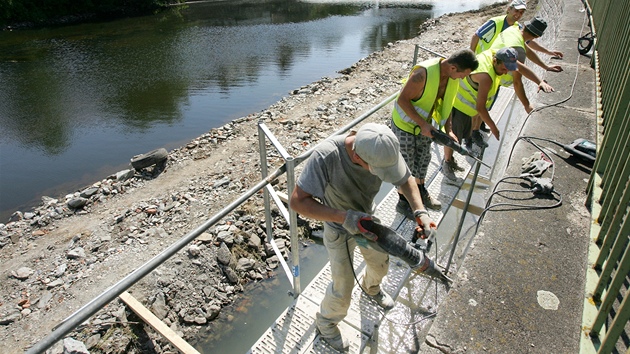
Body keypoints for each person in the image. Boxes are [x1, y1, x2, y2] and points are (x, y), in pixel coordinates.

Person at [289, 123, 442, 351]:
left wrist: (420, 212)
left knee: (380, 266)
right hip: (339, 228)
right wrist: (345, 217)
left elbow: (405, 179)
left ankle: (371, 289)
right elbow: (297, 201)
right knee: (342, 287)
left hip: (369, 221)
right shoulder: (327, 155)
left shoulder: (382, 144)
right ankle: (326, 323)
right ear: (357, 156)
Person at [442, 47, 551, 177]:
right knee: (454, 137)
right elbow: (480, 108)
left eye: (508, 70)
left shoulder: (499, 55)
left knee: (461, 136)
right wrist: (494, 127)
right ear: (495, 61)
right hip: (459, 105)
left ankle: (453, 157)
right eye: (503, 69)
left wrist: (540, 81)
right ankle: (447, 162)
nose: (505, 73)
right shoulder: (485, 76)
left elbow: (520, 68)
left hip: (469, 107)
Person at [391, 49, 479, 211]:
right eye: (463, 74)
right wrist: (423, 124)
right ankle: (403, 202)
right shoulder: (422, 74)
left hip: (425, 125)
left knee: (423, 159)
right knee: (405, 165)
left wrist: (449, 130)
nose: (463, 78)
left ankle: (420, 191)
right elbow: (402, 100)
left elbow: (447, 104)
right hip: (405, 125)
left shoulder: (451, 78)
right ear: (453, 68)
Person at [468, 2, 564, 147]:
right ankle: (470, 135)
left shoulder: (514, 30)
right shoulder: (515, 46)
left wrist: (544, 69)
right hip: (488, 73)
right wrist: (527, 105)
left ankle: (474, 130)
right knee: (479, 106)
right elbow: (518, 81)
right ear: (537, 36)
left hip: (488, 68)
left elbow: (527, 52)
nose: (518, 15)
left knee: (483, 105)